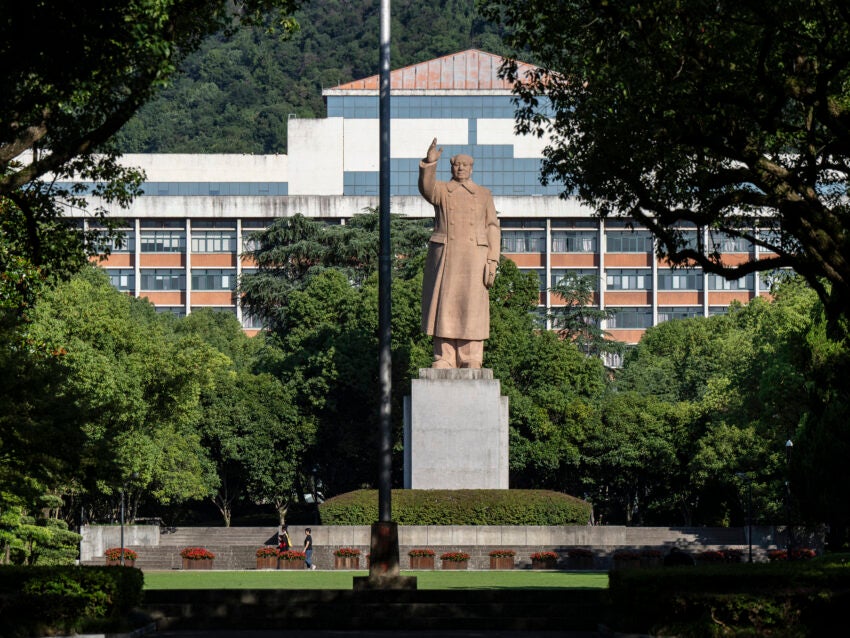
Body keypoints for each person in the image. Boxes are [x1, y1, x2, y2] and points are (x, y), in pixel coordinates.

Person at [418, 138, 500, 369]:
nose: (461, 168)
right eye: (457, 164)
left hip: (475, 257)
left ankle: (471, 357)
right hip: (446, 256)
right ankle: (444, 357)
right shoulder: (442, 190)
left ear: (471, 168)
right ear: (451, 167)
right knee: (445, 304)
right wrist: (429, 163)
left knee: (471, 305)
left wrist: (492, 259)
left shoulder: (483, 194)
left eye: (465, 164)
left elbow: (492, 226)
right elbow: (426, 188)